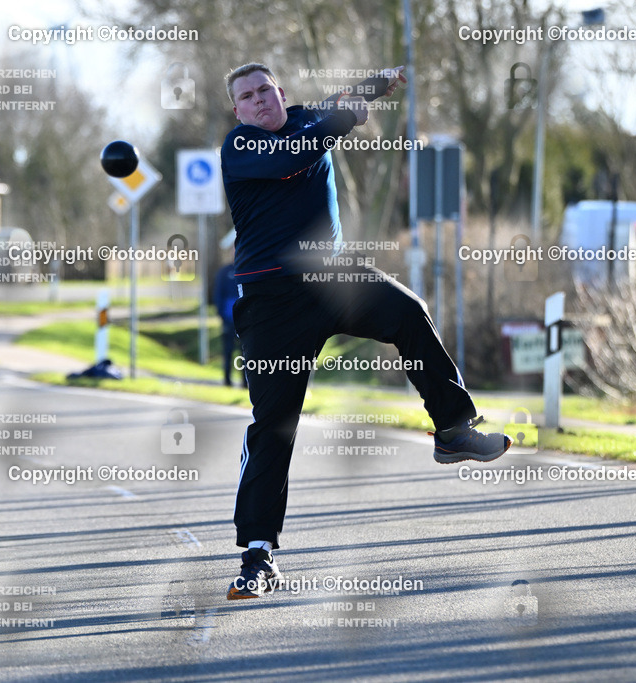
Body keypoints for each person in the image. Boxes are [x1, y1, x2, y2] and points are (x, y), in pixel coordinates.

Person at [221, 63, 511, 600]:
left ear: (281, 92)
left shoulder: (308, 119)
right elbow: (299, 153)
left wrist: (382, 80)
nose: (259, 101)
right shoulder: (241, 148)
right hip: (272, 300)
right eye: (247, 97)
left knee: (408, 310)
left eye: (266, 90)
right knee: (275, 425)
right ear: (237, 110)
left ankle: (453, 429)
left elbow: (340, 103)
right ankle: (257, 556)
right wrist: (346, 117)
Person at [213, 230, 245, 387]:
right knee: (228, 352)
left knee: (246, 353)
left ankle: (246, 382)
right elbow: (218, 295)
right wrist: (221, 314)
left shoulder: (247, 270)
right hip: (228, 320)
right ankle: (227, 380)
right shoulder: (224, 272)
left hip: (245, 320)